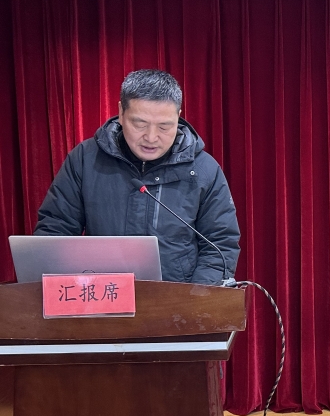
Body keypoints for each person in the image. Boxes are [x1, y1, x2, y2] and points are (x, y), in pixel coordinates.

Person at [34, 69, 240, 285]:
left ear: (178, 117)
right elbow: (56, 231)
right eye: (140, 124)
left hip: (176, 299)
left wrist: (194, 298)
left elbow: (220, 244)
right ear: (121, 113)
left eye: (164, 126)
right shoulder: (86, 160)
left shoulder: (204, 170)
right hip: (102, 295)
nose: (151, 137)